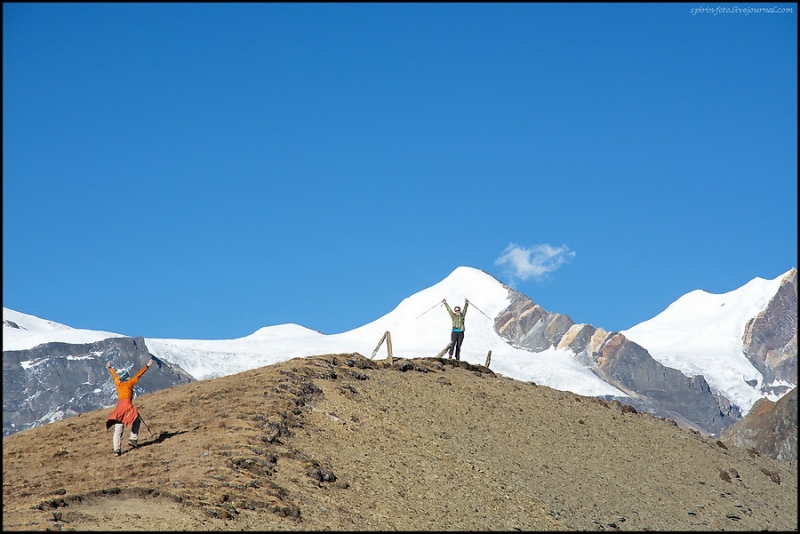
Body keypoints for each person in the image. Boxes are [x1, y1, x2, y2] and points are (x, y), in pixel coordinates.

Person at [105, 358, 153, 455]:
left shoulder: (118, 384)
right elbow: (138, 375)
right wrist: (147, 366)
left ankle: (116, 450)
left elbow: (114, 376)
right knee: (136, 420)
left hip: (119, 407)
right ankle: (133, 439)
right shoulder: (129, 384)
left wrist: (110, 368)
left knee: (118, 429)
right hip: (127, 406)